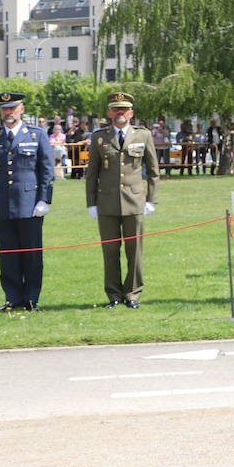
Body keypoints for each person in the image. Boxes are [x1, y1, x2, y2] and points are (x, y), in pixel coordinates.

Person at [0, 91, 54, 311]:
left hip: (30, 204)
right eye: (4, 108)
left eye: (12, 108)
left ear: (22, 109)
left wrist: (44, 200)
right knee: (8, 256)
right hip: (3, 204)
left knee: (32, 255)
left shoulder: (36, 134)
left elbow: (46, 171)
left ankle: (31, 299)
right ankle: (12, 298)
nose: (8, 112)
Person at [85, 92, 159, 308]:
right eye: (116, 109)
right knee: (110, 251)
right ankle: (114, 295)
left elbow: (153, 171)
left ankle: (133, 294)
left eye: (124, 109)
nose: (120, 113)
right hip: (106, 203)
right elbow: (92, 173)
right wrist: (91, 203)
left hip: (135, 201)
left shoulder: (143, 135)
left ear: (131, 113)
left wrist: (151, 199)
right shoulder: (99, 137)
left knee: (134, 250)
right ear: (109, 113)